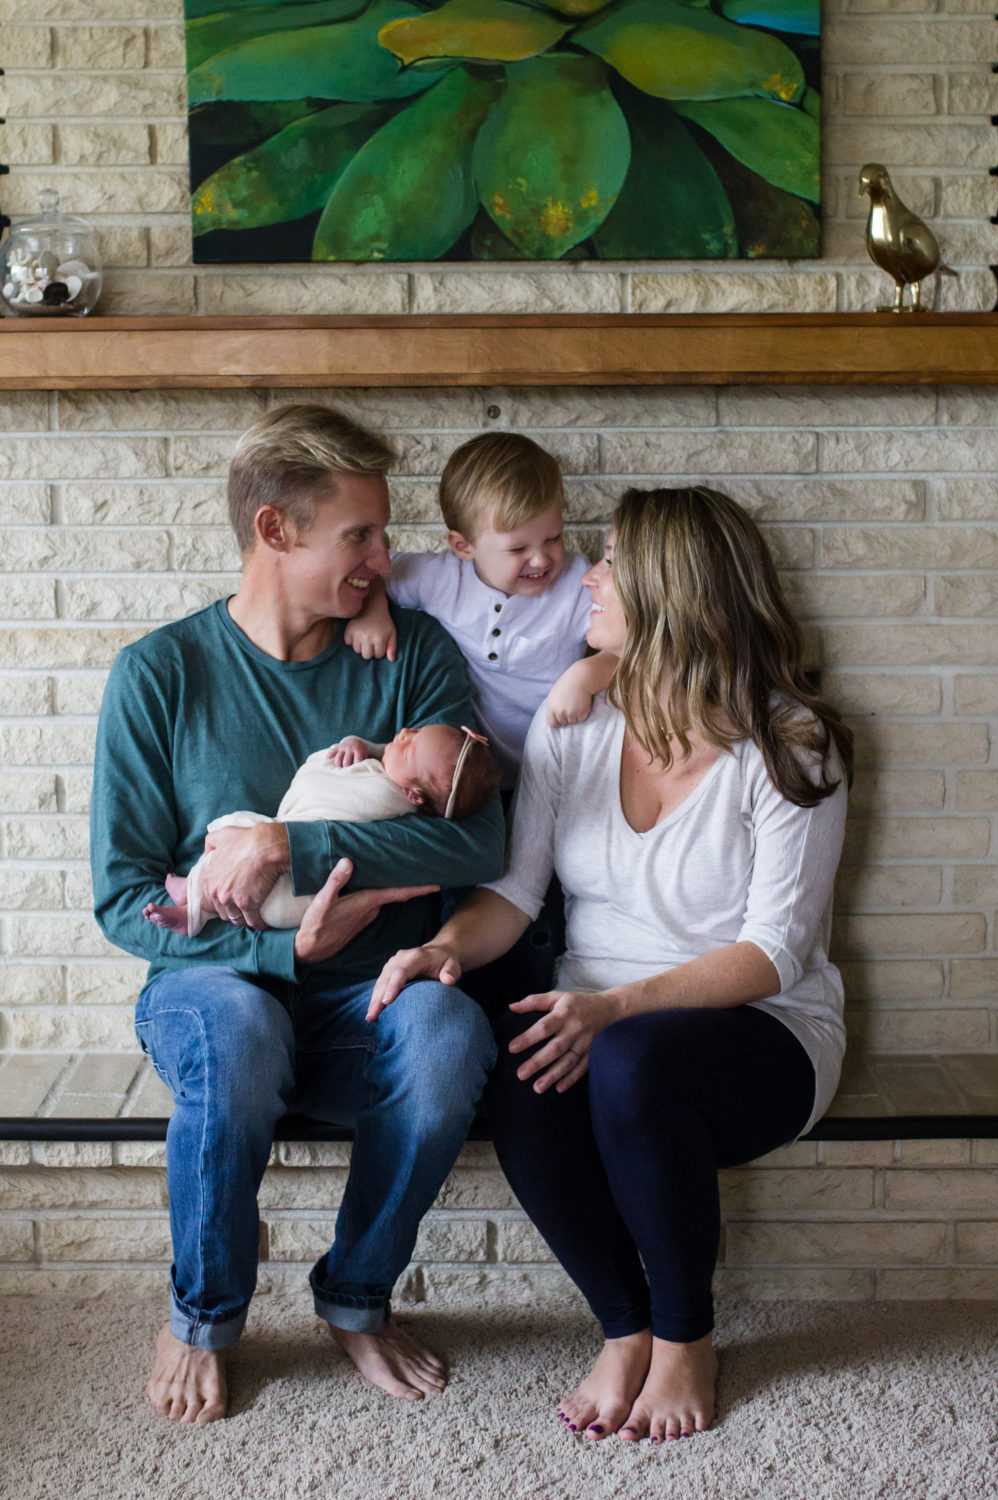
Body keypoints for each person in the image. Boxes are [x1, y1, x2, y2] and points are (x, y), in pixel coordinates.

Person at [370, 486, 853, 1446]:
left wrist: (617, 1006)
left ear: (671, 591)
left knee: (627, 1056)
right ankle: (624, 1327)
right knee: (518, 1055)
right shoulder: (576, 723)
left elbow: (773, 951)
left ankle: (686, 1337)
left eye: (611, 563)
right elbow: (514, 896)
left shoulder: (791, 742)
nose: (586, 577)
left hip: (766, 1029)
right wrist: (437, 950)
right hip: (611, 1018)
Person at [90, 404, 506, 1425]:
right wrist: (278, 943)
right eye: (358, 535)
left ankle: (357, 1297)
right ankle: (201, 1316)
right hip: (214, 988)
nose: (383, 557)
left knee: (450, 1034)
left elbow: (474, 841)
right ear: (275, 530)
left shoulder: (411, 655)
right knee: (234, 1033)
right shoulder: (161, 676)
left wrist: (292, 846)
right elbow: (125, 895)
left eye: (384, 530)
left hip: (371, 992)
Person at [345, 429, 615, 788]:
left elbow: (636, 642)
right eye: (518, 549)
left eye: (554, 538)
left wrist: (589, 672)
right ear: (463, 546)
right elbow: (378, 571)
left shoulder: (575, 583)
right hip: (469, 772)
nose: (541, 558)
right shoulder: (440, 578)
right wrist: (372, 612)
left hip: (562, 766)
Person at [142, 724, 500, 936]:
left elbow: (324, 784)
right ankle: (192, 901)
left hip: (299, 899)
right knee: (244, 833)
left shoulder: (385, 797)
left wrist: (281, 841)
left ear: (412, 796)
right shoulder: (393, 777)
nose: (404, 732)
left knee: (241, 829)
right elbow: (374, 761)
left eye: (408, 747)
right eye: (414, 731)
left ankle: (193, 909)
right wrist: (366, 747)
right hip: (288, 895)